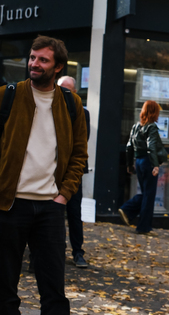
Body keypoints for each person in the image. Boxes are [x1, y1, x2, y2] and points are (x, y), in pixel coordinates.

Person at [0, 35, 88, 314]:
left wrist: (64, 195)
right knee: (4, 290)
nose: (34, 64)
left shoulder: (71, 104)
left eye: (43, 60)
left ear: (58, 67)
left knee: (54, 293)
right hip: (9, 206)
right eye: (32, 57)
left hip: (50, 208)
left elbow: (79, 155)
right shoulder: (7, 96)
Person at [57, 75, 91, 268]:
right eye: (62, 89)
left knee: (74, 212)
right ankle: (55, 251)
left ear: (75, 93)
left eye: (68, 90)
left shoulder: (82, 113)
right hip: (53, 171)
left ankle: (78, 252)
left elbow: (80, 144)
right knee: (54, 213)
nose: (64, 94)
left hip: (73, 170)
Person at [119, 100, 166, 234]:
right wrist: (155, 165)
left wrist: (129, 164)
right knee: (149, 194)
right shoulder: (151, 127)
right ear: (153, 112)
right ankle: (142, 224)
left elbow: (129, 147)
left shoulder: (136, 127)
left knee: (146, 193)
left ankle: (128, 211)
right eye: (157, 112)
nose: (158, 115)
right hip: (148, 162)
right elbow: (151, 146)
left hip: (139, 162)